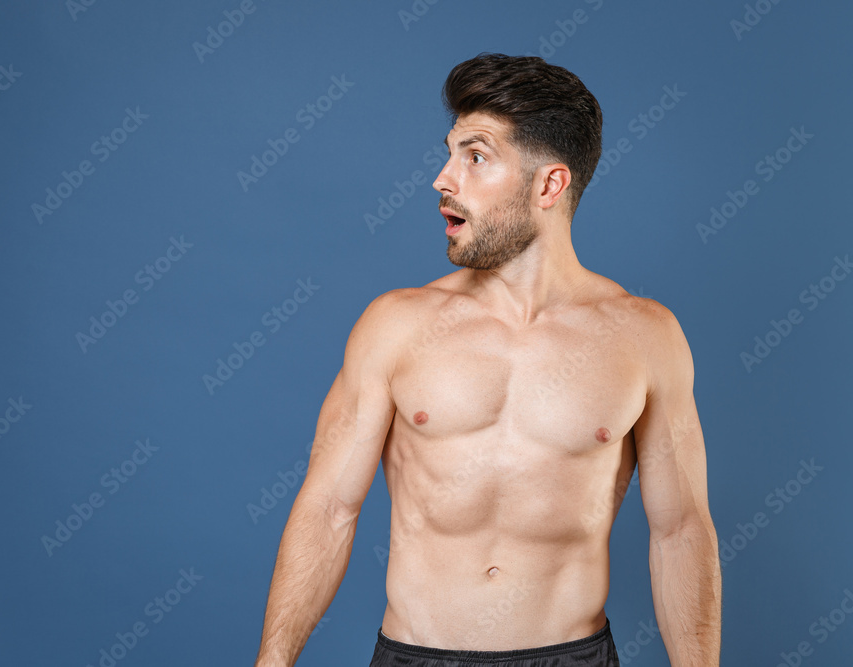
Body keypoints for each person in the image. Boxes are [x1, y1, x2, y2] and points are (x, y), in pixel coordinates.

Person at [255, 53, 721, 667]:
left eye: (475, 157)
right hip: (417, 655)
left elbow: (681, 529)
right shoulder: (396, 324)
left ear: (549, 184)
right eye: (450, 153)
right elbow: (328, 508)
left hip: (572, 655)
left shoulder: (645, 336)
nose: (443, 179)